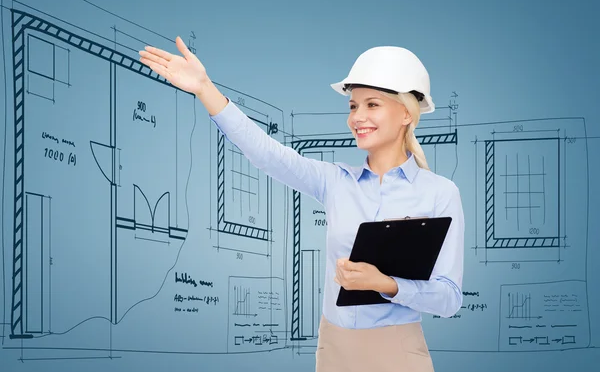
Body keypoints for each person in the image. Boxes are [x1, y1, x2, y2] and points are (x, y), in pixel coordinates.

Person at [139, 39, 465, 372]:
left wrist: (387, 284)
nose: (358, 117)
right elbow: (267, 154)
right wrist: (205, 89)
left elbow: (449, 298)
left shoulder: (440, 193)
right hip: (335, 348)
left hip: (398, 351)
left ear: (406, 114)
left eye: (372, 105)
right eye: (353, 106)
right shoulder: (335, 182)